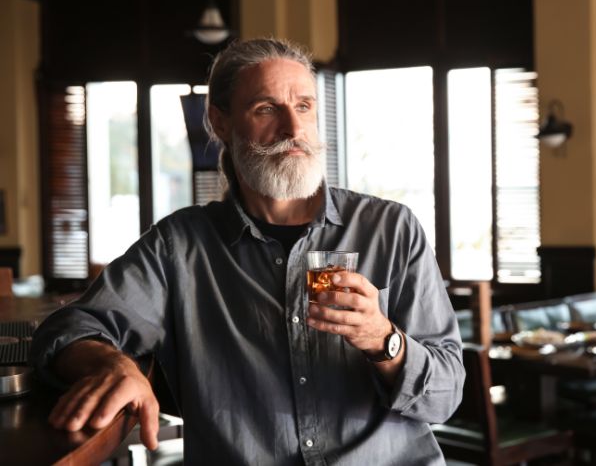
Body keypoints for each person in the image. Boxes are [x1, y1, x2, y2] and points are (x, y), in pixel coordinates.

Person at [31, 38, 464, 465]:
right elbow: (68, 329)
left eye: (304, 107)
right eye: (266, 109)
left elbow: (445, 397)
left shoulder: (391, 229)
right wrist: (112, 363)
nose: (293, 130)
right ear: (220, 122)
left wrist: (384, 341)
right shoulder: (178, 247)